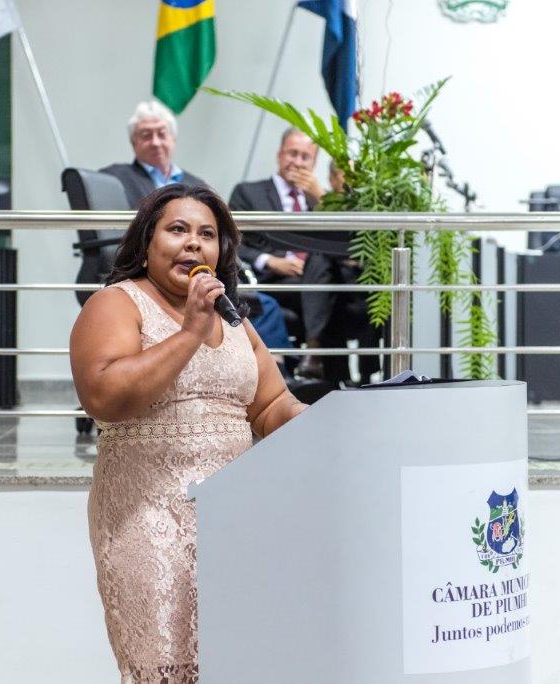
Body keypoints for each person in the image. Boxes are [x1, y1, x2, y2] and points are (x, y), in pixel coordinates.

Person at [69, 183, 306, 682]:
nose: (194, 243)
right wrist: (191, 332)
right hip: (147, 518)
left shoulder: (235, 322)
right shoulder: (116, 304)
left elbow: (271, 406)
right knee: (166, 668)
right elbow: (106, 397)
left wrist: (330, 420)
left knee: (233, 665)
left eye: (207, 234)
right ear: (146, 243)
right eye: (177, 230)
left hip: (233, 521)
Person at [229, 127, 325, 328]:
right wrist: (269, 261)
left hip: (315, 277)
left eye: (305, 157)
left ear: (314, 163)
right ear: (279, 155)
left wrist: (323, 201)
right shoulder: (248, 192)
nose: (298, 162)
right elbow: (230, 243)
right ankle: (316, 346)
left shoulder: (320, 199)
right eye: (293, 154)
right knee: (322, 292)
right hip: (270, 278)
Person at [296, 159, 379, 384]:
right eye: (347, 175)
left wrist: (322, 199)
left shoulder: (370, 206)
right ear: (332, 179)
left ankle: (314, 348)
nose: (354, 181)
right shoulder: (315, 204)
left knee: (324, 268)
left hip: (362, 282)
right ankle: (319, 353)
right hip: (331, 283)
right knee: (320, 257)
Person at [100, 100, 208, 208]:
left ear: (173, 138)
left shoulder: (198, 187)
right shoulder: (114, 179)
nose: (155, 143)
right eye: (146, 135)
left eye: (162, 134)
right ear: (133, 142)